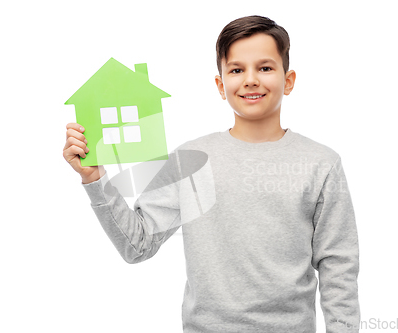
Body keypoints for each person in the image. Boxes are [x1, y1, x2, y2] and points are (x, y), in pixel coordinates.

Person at [63, 15, 360, 333]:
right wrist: (94, 179)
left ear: (288, 80)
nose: (250, 79)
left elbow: (337, 264)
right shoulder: (188, 161)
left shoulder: (321, 163)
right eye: (236, 70)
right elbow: (136, 246)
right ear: (221, 85)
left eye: (265, 67)